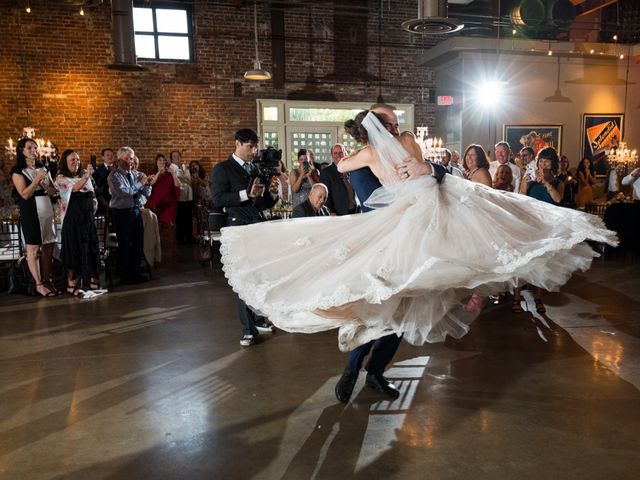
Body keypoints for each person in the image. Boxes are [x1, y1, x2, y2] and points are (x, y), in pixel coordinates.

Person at [218, 111, 617, 400]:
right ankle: (354, 368)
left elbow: (431, 172)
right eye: (386, 122)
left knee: (402, 309)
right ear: (374, 128)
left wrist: (427, 169)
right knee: (378, 303)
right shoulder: (369, 155)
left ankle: (373, 372)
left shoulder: (402, 143)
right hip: (383, 234)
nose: (393, 126)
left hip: (418, 228)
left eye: (393, 122)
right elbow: (345, 168)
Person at [211, 128, 279, 347]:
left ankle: (258, 319)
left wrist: (272, 193)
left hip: (257, 227)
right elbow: (218, 199)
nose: (254, 151)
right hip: (237, 228)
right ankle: (247, 329)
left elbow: (263, 203)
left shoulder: (255, 168)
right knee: (243, 280)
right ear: (238, 144)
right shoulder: (223, 169)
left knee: (259, 277)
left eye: (256, 146)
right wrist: (244, 194)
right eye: (250, 146)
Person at [514, 147, 565, 313]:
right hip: (528, 223)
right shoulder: (530, 178)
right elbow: (521, 197)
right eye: (541, 160)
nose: (543, 163)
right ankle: (516, 298)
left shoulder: (559, 182)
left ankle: (538, 298)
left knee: (541, 264)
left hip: (547, 226)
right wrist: (525, 183)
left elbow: (558, 199)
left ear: (553, 163)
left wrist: (547, 183)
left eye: (547, 160)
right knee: (523, 261)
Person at [10, 137, 58, 297]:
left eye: (35, 148)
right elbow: (24, 194)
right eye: (29, 148)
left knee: (49, 246)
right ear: (21, 151)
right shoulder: (18, 171)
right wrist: (36, 180)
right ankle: (38, 284)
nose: (34, 151)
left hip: (47, 210)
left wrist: (48, 186)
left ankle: (47, 280)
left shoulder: (43, 167)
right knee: (33, 248)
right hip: (31, 211)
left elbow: (52, 191)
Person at [54, 149, 101, 294]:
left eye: (78, 160)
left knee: (90, 247)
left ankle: (92, 277)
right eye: (72, 160)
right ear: (65, 163)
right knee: (73, 249)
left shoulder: (84, 176)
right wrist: (87, 176)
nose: (76, 163)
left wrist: (93, 204)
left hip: (86, 218)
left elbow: (93, 194)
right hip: (72, 219)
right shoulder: (60, 178)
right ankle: (71, 281)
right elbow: (74, 189)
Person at [108, 146, 153, 284]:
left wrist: (147, 184)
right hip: (121, 212)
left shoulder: (135, 175)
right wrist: (141, 183)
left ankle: (136, 272)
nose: (130, 162)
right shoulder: (115, 175)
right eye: (127, 159)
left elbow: (146, 194)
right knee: (125, 243)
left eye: (132, 158)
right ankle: (124, 274)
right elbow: (125, 192)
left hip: (135, 210)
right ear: (119, 160)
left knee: (138, 242)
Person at [319, 143, 357, 215]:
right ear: (332, 155)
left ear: (345, 154)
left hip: (355, 209)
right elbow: (325, 194)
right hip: (338, 211)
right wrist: (330, 210)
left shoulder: (351, 169)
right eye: (335, 153)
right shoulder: (326, 172)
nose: (338, 155)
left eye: (341, 152)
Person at [146, 154, 180, 226]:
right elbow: (151, 183)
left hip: (168, 205)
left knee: (169, 229)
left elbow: (177, 185)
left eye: (163, 160)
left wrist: (173, 173)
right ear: (156, 162)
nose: (162, 162)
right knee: (155, 227)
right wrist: (158, 173)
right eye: (159, 160)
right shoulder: (152, 174)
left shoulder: (170, 174)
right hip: (156, 204)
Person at [169, 150, 195, 244]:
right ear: (171, 159)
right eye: (174, 156)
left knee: (188, 218)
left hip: (188, 195)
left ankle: (189, 237)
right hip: (179, 196)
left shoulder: (185, 167)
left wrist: (185, 177)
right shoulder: (171, 168)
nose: (176, 158)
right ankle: (180, 238)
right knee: (180, 218)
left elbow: (190, 180)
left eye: (178, 156)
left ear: (181, 157)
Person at [93, 148, 115, 215]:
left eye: (111, 155)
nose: (110, 157)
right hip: (102, 201)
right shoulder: (97, 170)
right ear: (103, 157)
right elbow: (96, 186)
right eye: (107, 155)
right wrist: (103, 202)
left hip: (116, 201)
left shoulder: (117, 169)